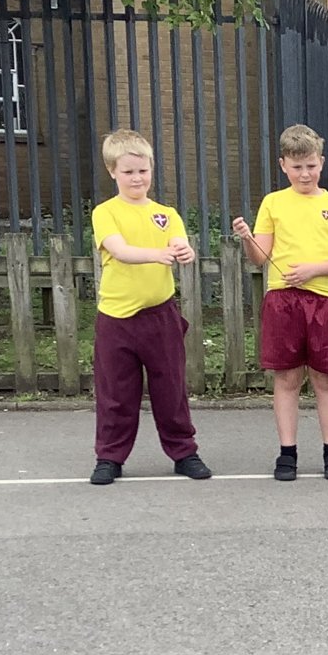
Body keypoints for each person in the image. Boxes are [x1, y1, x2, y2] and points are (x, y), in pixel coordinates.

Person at [231, 124, 328, 481]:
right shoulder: (273, 203)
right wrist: (246, 238)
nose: (304, 173)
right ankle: (287, 452)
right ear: (283, 165)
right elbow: (260, 257)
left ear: (322, 162)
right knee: (287, 378)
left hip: (325, 300)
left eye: (311, 165)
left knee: (326, 379)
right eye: (296, 166)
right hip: (283, 300)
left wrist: (313, 270)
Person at [87, 129, 212, 486]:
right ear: (113, 172)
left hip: (161, 316)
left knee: (171, 389)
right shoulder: (105, 213)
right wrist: (158, 255)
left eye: (143, 171)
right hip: (116, 319)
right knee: (115, 393)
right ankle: (109, 457)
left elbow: (178, 242)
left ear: (151, 170)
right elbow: (120, 250)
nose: (137, 178)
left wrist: (183, 251)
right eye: (128, 172)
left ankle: (184, 452)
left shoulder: (166, 213)